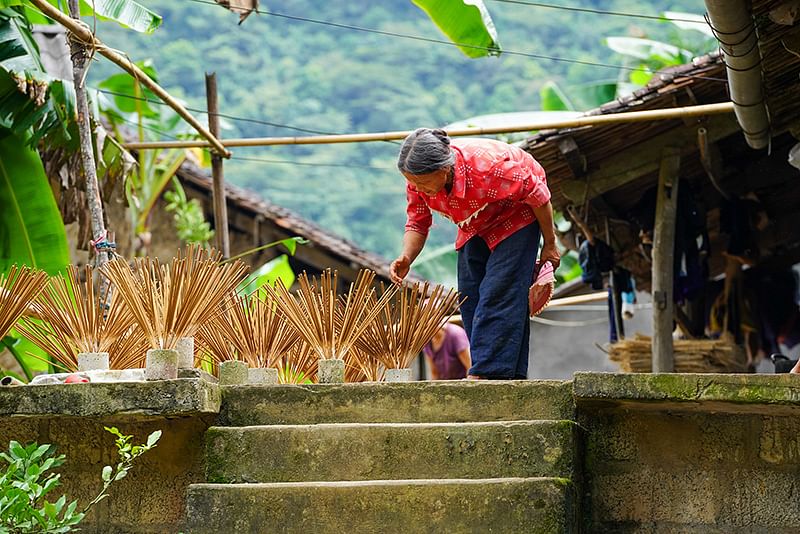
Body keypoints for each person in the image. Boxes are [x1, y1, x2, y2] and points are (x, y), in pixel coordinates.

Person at [391, 128, 560, 380]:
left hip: (518, 214)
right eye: (414, 183)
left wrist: (549, 243)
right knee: (470, 295)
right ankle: (509, 374)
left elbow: (538, 195)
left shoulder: (488, 168)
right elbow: (417, 222)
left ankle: (487, 373)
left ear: (444, 169)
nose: (419, 189)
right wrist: (406, 257)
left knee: (501, 290)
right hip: (474, 220)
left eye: (424, 183)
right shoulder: (418, 181)